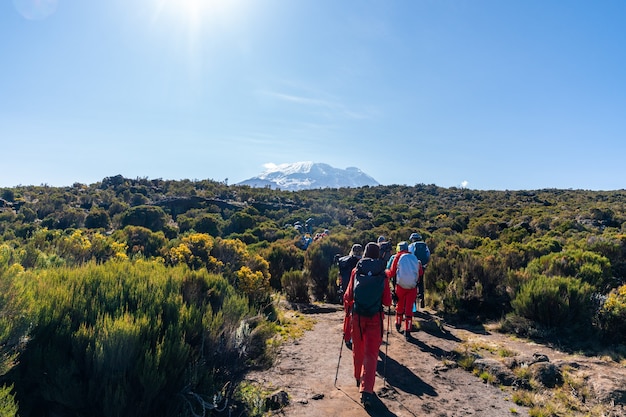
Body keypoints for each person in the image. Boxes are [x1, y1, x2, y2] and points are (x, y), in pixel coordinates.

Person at [344, 242, 392, 408]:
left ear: (364, 253)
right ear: (378, 255)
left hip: (357, 317)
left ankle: (358, 378)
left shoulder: (356, 271)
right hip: (375, 318)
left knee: (358, 350)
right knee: (371, 354)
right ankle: (366, 391)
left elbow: (348, 296)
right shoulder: (383, 273)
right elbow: (387, 301)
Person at [386, 241, 421, 340]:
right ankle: (408, 330)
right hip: (412, 287)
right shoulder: (414, 258)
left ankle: (398, 323)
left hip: (400, 286)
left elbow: (392, 272)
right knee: (409, 308)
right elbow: (420, 272)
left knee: (400, 305)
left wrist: (384, 273)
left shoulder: (397, 257)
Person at [338, 244, 363, 350]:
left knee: (347, 315)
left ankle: (347, 336)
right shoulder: (363, 263)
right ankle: (356, 337)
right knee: (357, 317)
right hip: (359, 294)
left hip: (346, 293)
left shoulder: (344, 262)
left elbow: (340, 277)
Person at [408, 232, 431, 307]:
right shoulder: (425, 246)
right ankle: (422, 300)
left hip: (413, 268)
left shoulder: (411, 246)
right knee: (421, 283)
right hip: (422, 267)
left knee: (414, 285)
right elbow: (428, 255)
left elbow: (410, 256)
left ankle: (414, 304)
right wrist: (424, 265)